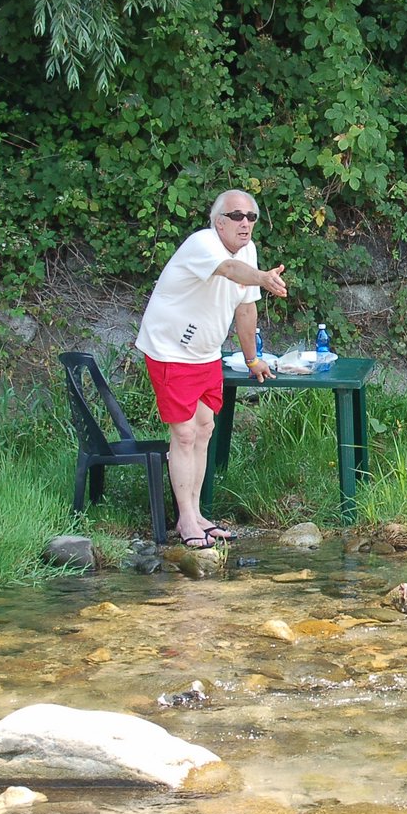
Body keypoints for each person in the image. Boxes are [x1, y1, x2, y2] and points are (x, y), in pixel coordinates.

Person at [135, 190, 288, 548]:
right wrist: (264, 278)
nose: (246, 223)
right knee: (184, 433)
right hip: (169, 349)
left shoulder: (248, 253)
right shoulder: (202, 244)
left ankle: (198, 513)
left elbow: (246, 310)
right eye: (237, 216)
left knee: (204, 428)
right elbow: (230, 271)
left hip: (206, 353)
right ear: (219, 221)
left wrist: (252, 360)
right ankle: (185, 519)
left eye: (252, 216)